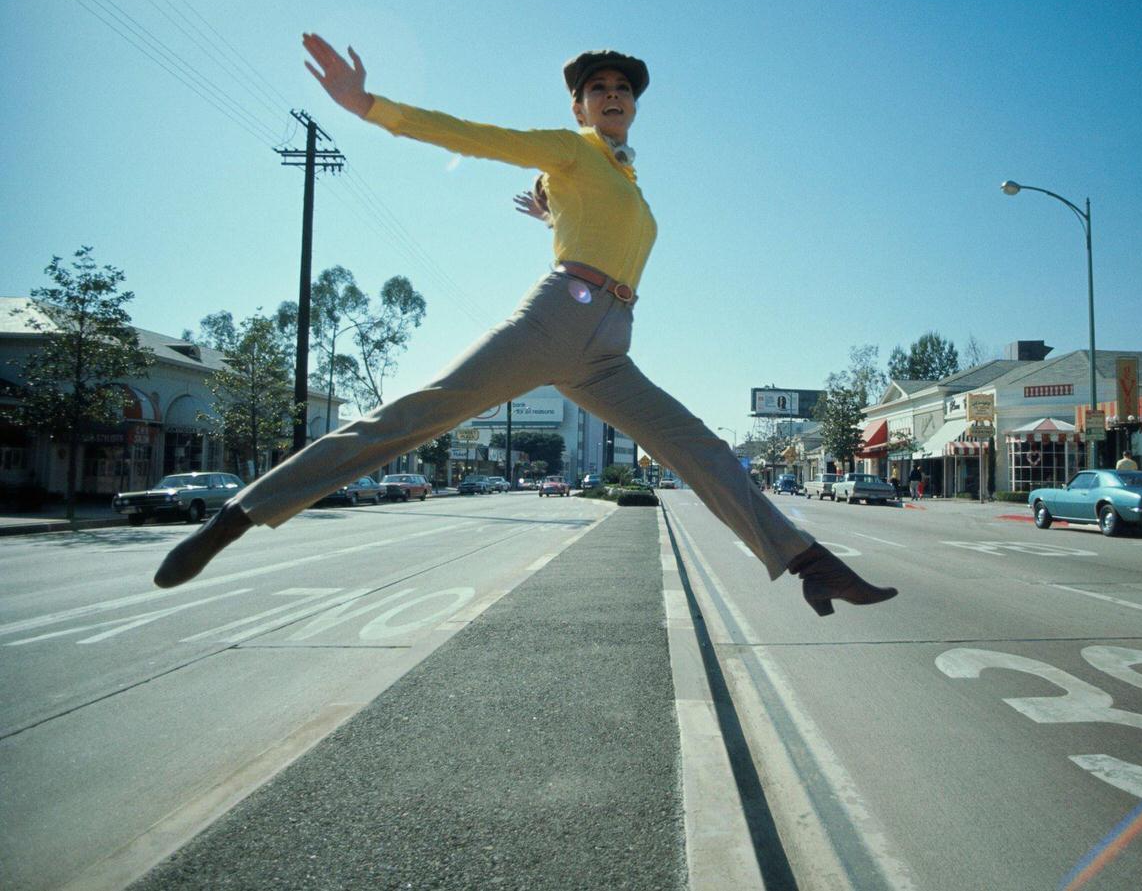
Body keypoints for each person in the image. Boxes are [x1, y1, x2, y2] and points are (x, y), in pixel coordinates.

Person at [153, 35, 896, 618]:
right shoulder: (570, 149)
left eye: (623, 89)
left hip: (608, 348)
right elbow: (478, 136)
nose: (613, 95)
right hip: (555, 319)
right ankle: (238, 515)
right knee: (422, 412)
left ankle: (808, 563)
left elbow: (589, 216)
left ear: (634, 108)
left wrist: (554, 212)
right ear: (578, 107)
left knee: (699, 445)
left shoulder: (622, 177)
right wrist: (369, 105)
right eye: (598, 89)